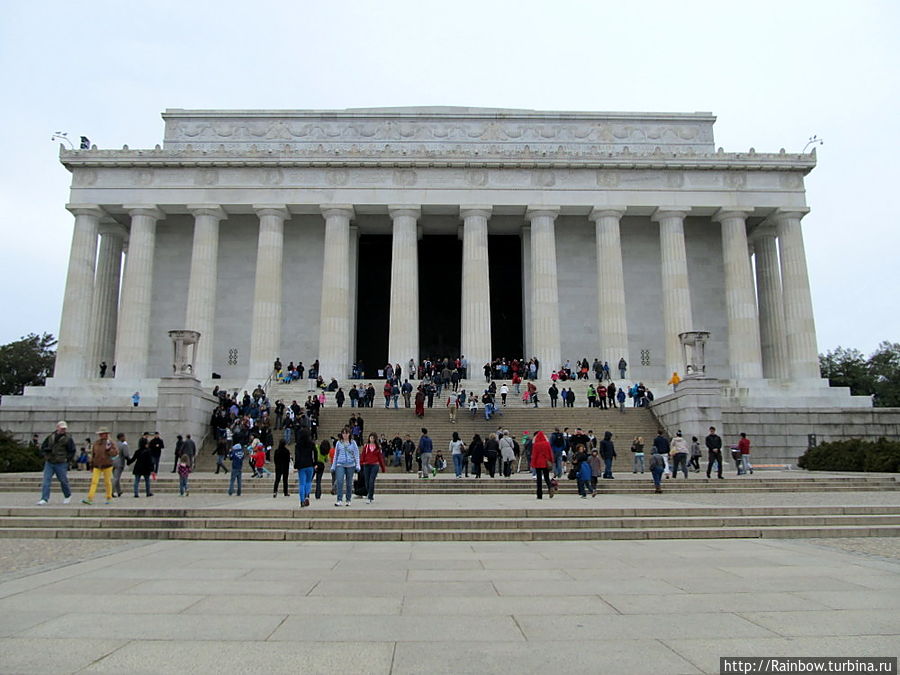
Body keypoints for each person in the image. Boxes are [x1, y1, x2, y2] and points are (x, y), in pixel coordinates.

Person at [37, 421, 74, 505]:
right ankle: (44, 498)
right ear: (57, 427)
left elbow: (72, 450)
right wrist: (45, 453)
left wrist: (67, 459)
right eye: (61, 428)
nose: (63, 430)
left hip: (61, 462)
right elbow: (43, 447)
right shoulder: (50, 437)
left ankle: (67, 495)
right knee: (46, 480)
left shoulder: (68, 439)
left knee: (63, 480)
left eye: (64, 428)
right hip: (50, 461)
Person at [82, 426, 118, 505]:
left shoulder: (111, 443)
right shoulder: (96, 443)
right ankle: (90, 498)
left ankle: (109, 497)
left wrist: (109, 450)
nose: (101, 435)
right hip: (97, 465)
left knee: (107, 482)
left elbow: (115, 453)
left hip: (107, 465)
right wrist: (91, 464)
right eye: (100, 434)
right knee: (94, 482)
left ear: (106, 434)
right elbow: (93, 454)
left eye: (102, 434)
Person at [331, 427, 360, 506]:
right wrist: (333, 466)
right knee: (340, 481)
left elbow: (356, 454)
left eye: (346, 433)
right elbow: (336, 455)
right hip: (340, 464)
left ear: (349, 434)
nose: (345, 435)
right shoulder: (338, 443)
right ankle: (339, 499)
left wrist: (358, 465)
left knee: (349, 483)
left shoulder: (353, 443)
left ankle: (348, 499)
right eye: (343, 433)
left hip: (351, 465)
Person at [360, 432, 387, 504]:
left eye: (373, 438)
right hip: (366, 465)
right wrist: (361, 463)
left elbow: (380, 458)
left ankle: (370, 497)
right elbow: (363, 455)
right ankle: (369, 493)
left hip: (374, 465)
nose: (372, 439)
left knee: (371, 480)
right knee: (367, 481)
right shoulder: (366, 446)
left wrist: (383, 467)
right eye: (371, 438)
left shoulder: (377, 447)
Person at [530, 431, 555, 499]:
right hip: (546, 463)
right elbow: (550, 453)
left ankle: (539, 495)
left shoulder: (536, 444)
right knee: (546, 477)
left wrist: (532, 463)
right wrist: (551, 461)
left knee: (539, 479)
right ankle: (550, 486)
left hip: (538, 463)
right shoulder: (547, 444)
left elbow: (534, 455)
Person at [294, 430, 316, 506]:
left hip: (301, 465)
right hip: (310, 464)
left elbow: (297, 455)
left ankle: (302, 500)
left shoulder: (298, 445)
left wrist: (296, 465)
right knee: (308, 482)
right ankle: (307, 496)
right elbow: (315, 453)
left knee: (302, 483)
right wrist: (315, 463)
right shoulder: (311, 444)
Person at [111, 432, 131, 498]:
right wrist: (129, 460)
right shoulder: (123, 445)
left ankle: (119, 491)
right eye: (124, 437)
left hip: (112, 462)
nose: (125, 438)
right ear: (121, 437)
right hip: (119, 463)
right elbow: (126, 454)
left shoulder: (114, 444)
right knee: (116, 478)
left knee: (116, 477)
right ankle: (111, 491)